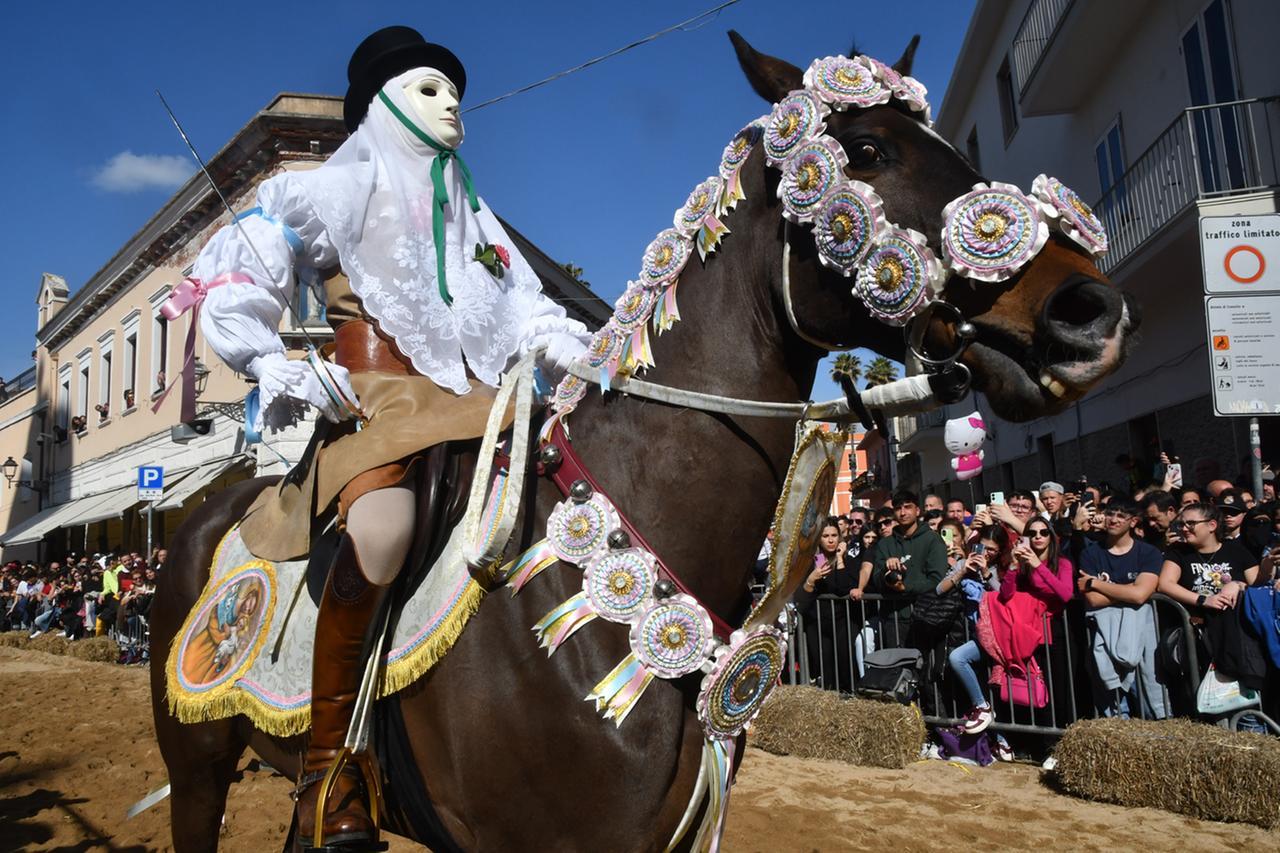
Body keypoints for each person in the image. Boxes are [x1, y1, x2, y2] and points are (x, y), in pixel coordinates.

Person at [181, 26, 591, 846]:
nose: (454, 110)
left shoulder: (476, 217)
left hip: (487, 398)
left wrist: (570, 345)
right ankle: (330, 772)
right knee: (383, 528)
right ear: (383, 106)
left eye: (457, 96)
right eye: (432, 92)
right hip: (381, 398)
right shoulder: (334, 187)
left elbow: (529, 306)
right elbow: (248, 262)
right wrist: (273, 362)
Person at [1077, 498, 1167, 719]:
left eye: (1120, 516)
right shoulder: (1091, 553)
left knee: (1149, 699)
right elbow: (1094, 601)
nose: (1113, 520)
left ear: (1133, 521)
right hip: (1103, 636)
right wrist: (1130, 589)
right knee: (1114, 705)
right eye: (1110, 514)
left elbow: (1140, 595)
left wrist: (1097, 583)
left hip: (1142, 636)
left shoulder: (1148, 552)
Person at [853, 491, 948, 647]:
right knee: (898, 668)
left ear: (918, 510)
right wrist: (886, 572)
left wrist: (906, 587)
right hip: (893, 618)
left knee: (923, 668)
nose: (903, 513)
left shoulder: (932, 539)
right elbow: (876, 579)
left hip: (927, 615)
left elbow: (936, 580)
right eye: (898, 508)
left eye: (907, 507)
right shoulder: (885, 544)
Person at [793, 518, 859, 692]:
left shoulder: (848, 559)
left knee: (845, 666)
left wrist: (840, 558)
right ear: (818, 539)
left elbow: (843, 588)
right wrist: (811, 580)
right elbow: (802, 599)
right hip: (818, 624)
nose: (830, 540)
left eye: (834, 535)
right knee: (824, 669)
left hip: (842, 622)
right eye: (825, 536)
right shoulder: (813, 561)